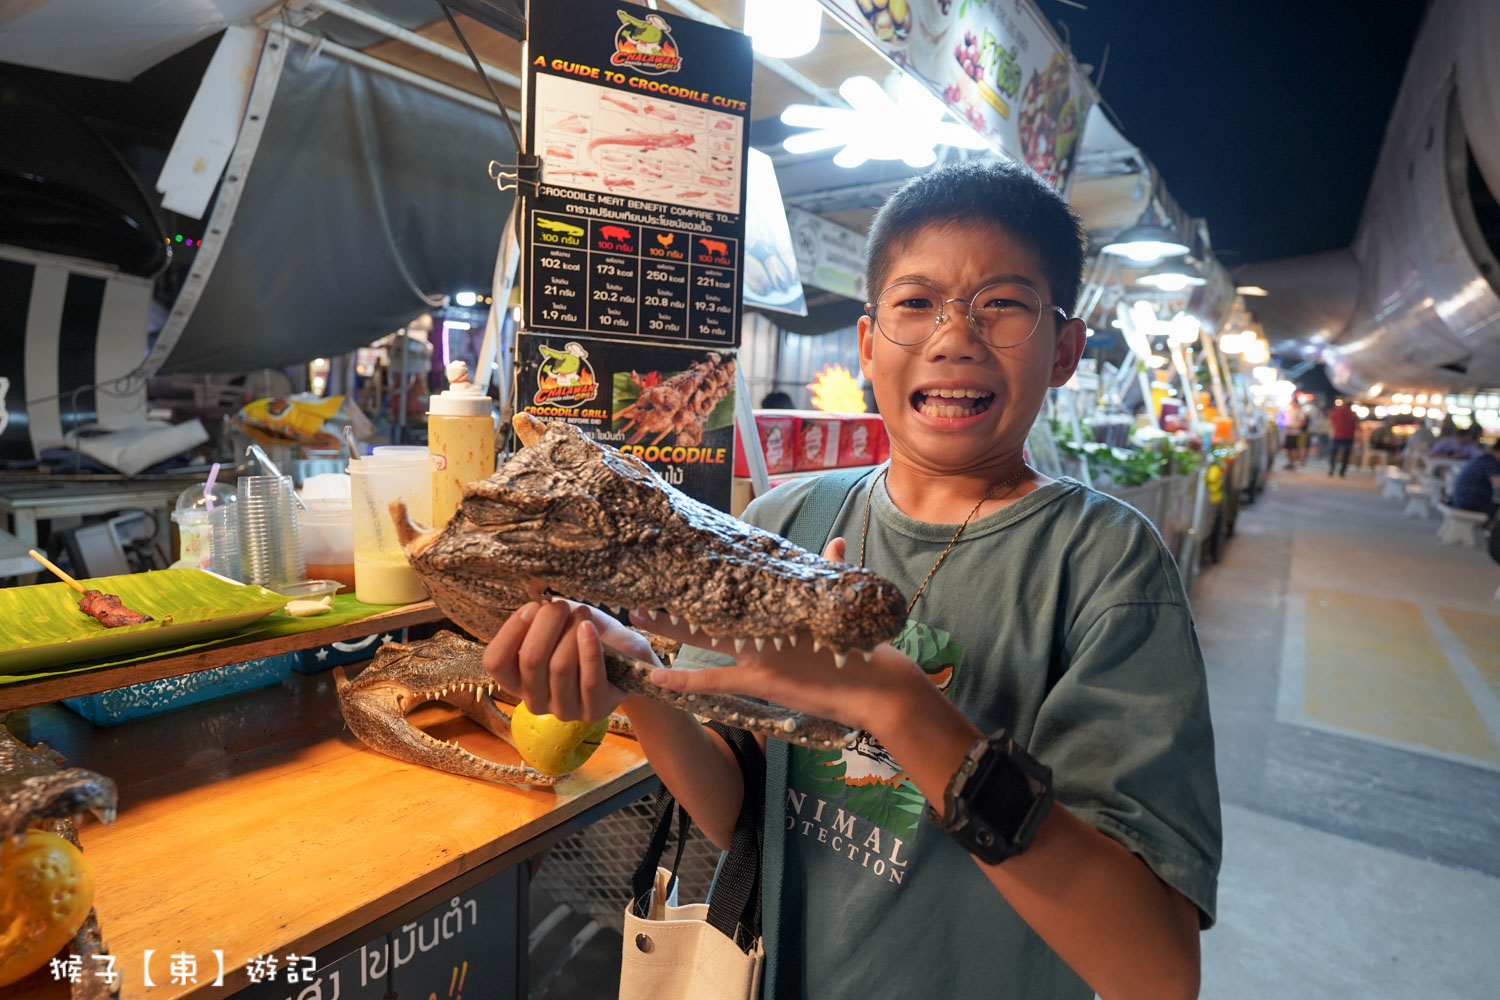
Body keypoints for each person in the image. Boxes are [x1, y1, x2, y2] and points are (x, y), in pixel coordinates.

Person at [484, 160, 1220, 999]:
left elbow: (1157, 970)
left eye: (1004, 306)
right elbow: (746, 818)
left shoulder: (1106, 565)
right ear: (869, 343)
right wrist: (637, 679)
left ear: (1066, 349)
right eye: (916, 303)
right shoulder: (781, 523)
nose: (954, 337)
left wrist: (895, 704)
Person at [1450, 437, 1500, 525]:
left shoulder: (1484, 458)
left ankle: (1490, 532)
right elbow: (1498, 482)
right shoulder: (1490, 462)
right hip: (1469, 503)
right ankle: (1493, 534)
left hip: (1461, 499)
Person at [1328, 399, 1359, 476]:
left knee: (1333, 453)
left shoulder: (1337, 411)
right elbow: (1357, 425)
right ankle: (1342, 471)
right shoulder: (1352, 414)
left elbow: (1332, 421)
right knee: (1346, 454)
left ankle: (1332, 467)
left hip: (1338, 435)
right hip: (1349, 436)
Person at [1282, 399, 1308, 469]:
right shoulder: (1289, 411)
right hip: (1288, 432)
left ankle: (1292, 463)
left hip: (1295, 433)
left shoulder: (1299, 411)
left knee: (1294, 448)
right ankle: (1290, 462)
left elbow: (1303, 422)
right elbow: (1284, 420)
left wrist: (1295, 427)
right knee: (1288, 448)